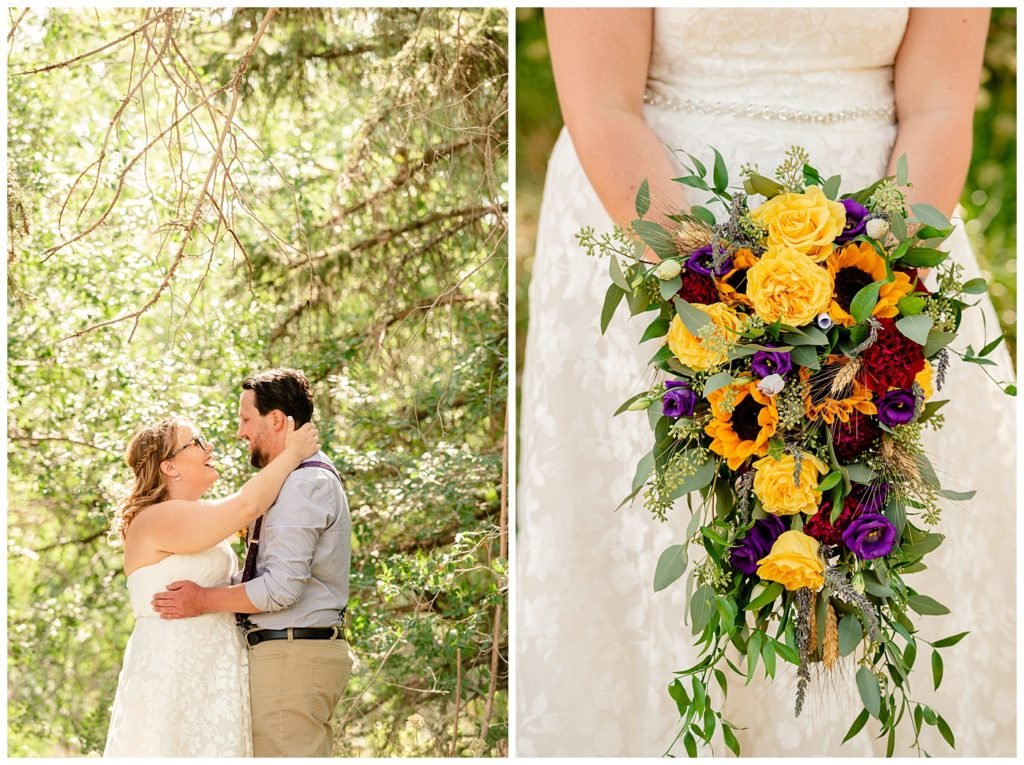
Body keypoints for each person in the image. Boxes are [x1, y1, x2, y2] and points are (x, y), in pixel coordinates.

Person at [517, 8, 1014, 757]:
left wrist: (879, 298)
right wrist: (725, 303)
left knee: (879, 563)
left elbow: (939, 105)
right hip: (659, 243)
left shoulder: (884, 287)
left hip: (883, 262)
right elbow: (603, 104)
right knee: (676, 574)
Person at [151, 368, 353, 758]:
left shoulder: (304, 484)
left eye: (246, 420)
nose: (240, 432)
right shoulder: (292, 480)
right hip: (289, 657)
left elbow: (281, 588)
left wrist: (203, 599)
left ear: (275, 419)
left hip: (291, 659)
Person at [103, 413, 320, 757]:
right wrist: (292, 454)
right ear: (170, 467)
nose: (210, 446)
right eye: (197, 442)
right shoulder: (156, 518)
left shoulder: (188, 514)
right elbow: (248, 504)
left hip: (212, 665)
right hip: (175, 670)